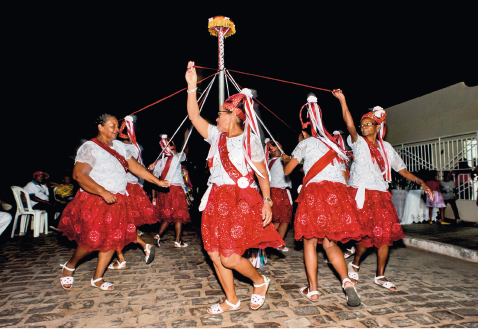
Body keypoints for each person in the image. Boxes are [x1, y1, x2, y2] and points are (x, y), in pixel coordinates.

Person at [186, 61, 284, 314]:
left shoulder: (250, 139)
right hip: (215, 198)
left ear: (234, 116)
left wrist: (267, 201)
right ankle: (231, 299)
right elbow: (194, 116)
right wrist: (191, 87)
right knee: (216, 256)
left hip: (240, 199)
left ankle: (260, 282)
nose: (216, 117)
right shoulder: (214, 136)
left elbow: (263, 175)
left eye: (220, 113)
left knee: (229, 255)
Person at [333, 89, 433, 291]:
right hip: (362, 192)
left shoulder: (386, 148)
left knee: (385, 235)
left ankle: (380, 276)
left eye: (368, 124)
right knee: (365, 237)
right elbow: (349, 124)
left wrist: (421, 182)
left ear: (378, 127)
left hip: (380, 194)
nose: (363, 127)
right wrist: (343, 100)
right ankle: (356, 262)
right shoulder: (358, 143)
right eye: (362, 125)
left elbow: (402, 170)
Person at [58, 113, 169, 291]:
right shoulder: (90, 147)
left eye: (118, 126)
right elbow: (78, 175)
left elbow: (135, 167)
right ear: (100, 127)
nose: (117, 130)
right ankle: (70, 266)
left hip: (118, 199)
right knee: (90, 242)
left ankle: (98, 278)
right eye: (112, 126)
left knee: (112, 240)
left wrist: (157, 182)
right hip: (96, 199)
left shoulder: (119, 146)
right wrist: (102, 192)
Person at [282, 95, 364, 307]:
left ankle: (314, 290)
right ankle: (346, 282)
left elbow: (288, 170)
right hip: (337, 195)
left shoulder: (306, 143)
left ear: (306, 128)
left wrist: (291, 155)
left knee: (310, 242)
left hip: (315, 194)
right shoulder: (336, 144)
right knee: (330, 243)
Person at [108, 116, 160, 270]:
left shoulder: (118, 147)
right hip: (133, 187)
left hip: (123, 188)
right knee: (120, 225)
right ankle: (124, 257)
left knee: (117, 224)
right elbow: (140, 170)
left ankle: (130, 255)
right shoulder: (136, 148)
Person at [149, 130, 191, 248]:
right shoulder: (177, 157)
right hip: (176, 190)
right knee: (179, 216)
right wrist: (186, 136)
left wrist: (154, 196)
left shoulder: (159, 161)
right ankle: (177, 241)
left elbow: (154, 179)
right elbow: (186, 151)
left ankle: (158, 235)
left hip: (164, 191)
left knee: (167, 216)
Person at [264, 138, 292, 252]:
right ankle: (274, 243)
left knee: (276, 219)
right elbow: (289, 169)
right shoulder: (281, 160)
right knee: (283, 219)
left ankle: (274, 243)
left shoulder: (268, 161)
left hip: (271, 191)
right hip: (280, 191)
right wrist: (287, 160)